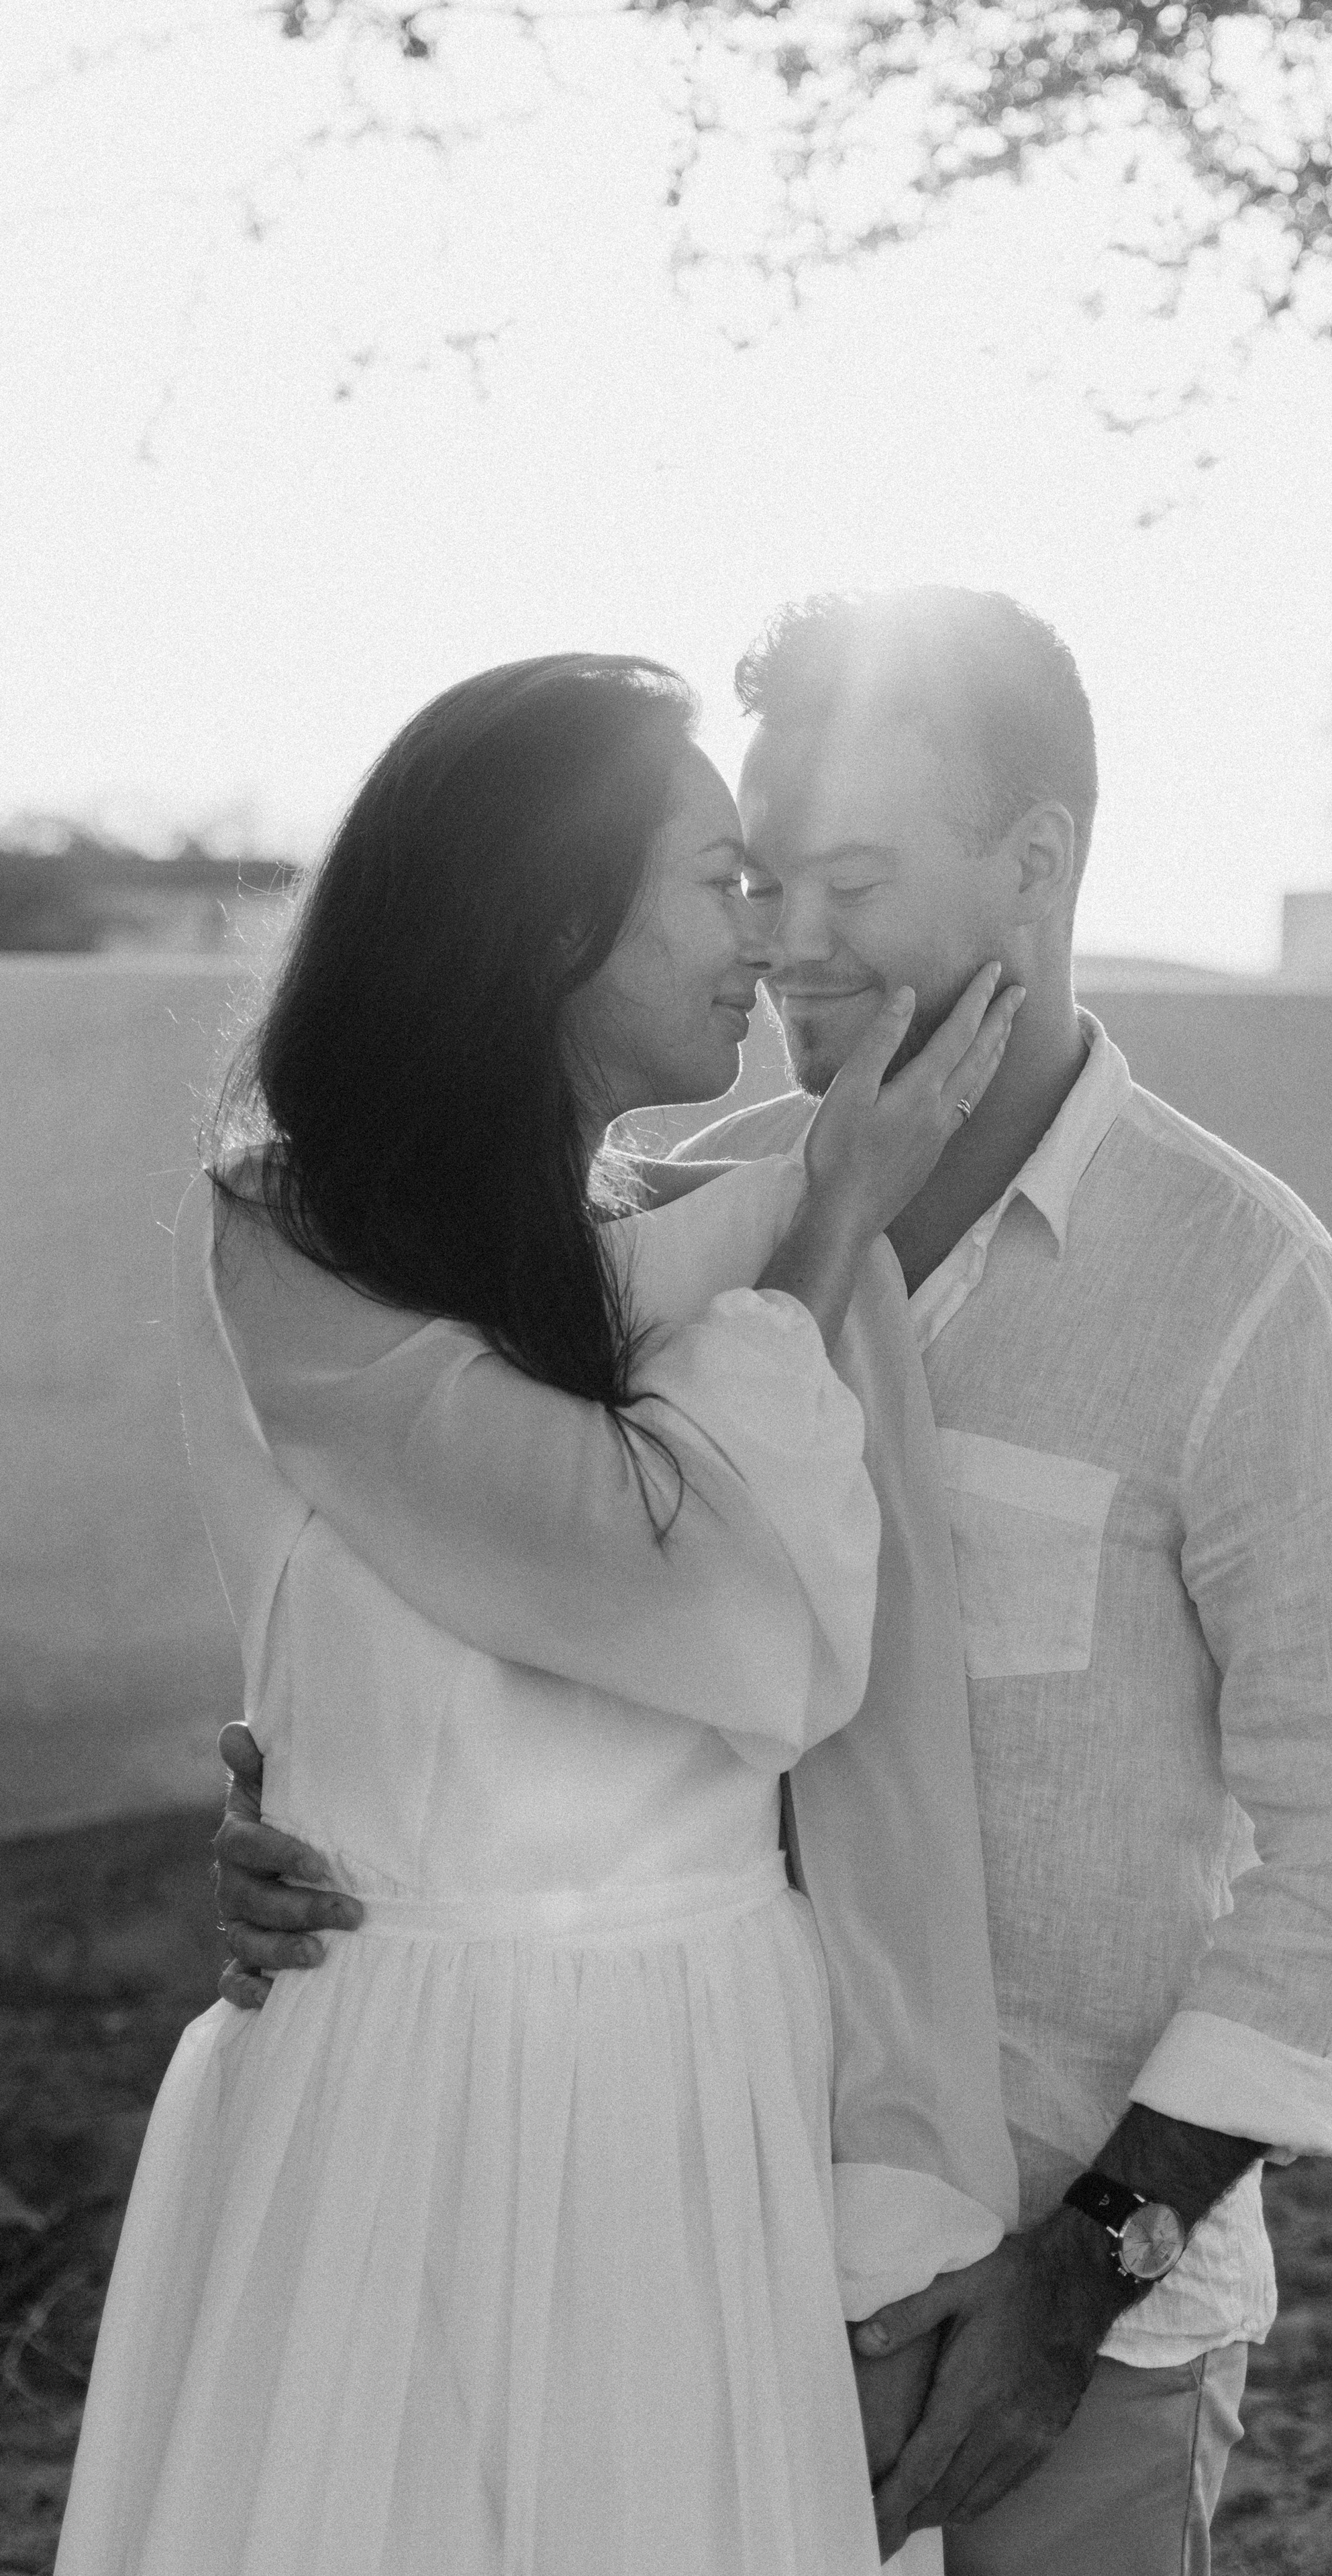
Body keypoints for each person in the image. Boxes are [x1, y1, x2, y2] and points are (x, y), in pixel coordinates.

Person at [214, 590, 1332, 2575]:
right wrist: (312, 1814)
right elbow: (543, 1613)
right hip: (665, 2273)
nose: (789, 939)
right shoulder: (660, 1230)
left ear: (1037, 864)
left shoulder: (1247, 1297)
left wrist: (1086, 2275)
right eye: (758, 878)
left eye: (856, 880)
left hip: (1063, 2338)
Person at [55, 652, 1025, 2576]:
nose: (765, 936)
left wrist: (909, 2170)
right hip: (406, 2079)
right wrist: (831, 1237)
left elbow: (866, 1720)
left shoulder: (739, 1222)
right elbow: (689, 1597)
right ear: (551, 918)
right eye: (722, 882)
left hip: (699, 2083)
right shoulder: (297, 1236)